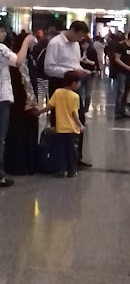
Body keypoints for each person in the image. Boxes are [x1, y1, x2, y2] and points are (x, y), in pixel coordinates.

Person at [44, 20, 92, 167]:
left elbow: (75, 63)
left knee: (78, 118)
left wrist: (81, 71)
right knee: (60, 121)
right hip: (59, 84)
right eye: (80, 36)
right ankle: (59, 159)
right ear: (73, 31)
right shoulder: (55, 43)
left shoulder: (76, 45)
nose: (80, 40)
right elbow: (49, 68)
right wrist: (70, 72)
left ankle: (75, 156)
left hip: (74, 85)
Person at [0, 27, 37, 188]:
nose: (4, 34)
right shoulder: (1, 49)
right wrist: (26, 42)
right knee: (1, 138)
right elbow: (18, 61)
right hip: (2, 98)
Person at [47, 71, 83, 177]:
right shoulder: (75, 96)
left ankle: (61, 170)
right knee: (71, 151)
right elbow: (74, 114)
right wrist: (80, 125)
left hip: (60, 128)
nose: (79, 84)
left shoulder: (58, 92)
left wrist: (39, 112)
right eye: (79, 82)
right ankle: (72, 170)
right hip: (71, 129)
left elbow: (50, 106)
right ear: (73, 83)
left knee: (60, 151)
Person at [113, 30, 130, 120]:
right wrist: (127, 66)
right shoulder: (121, 46)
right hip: (121, 71)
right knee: (121, 91)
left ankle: (123, 110)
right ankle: (117, 111)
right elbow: (117, 59)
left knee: (127, 91)